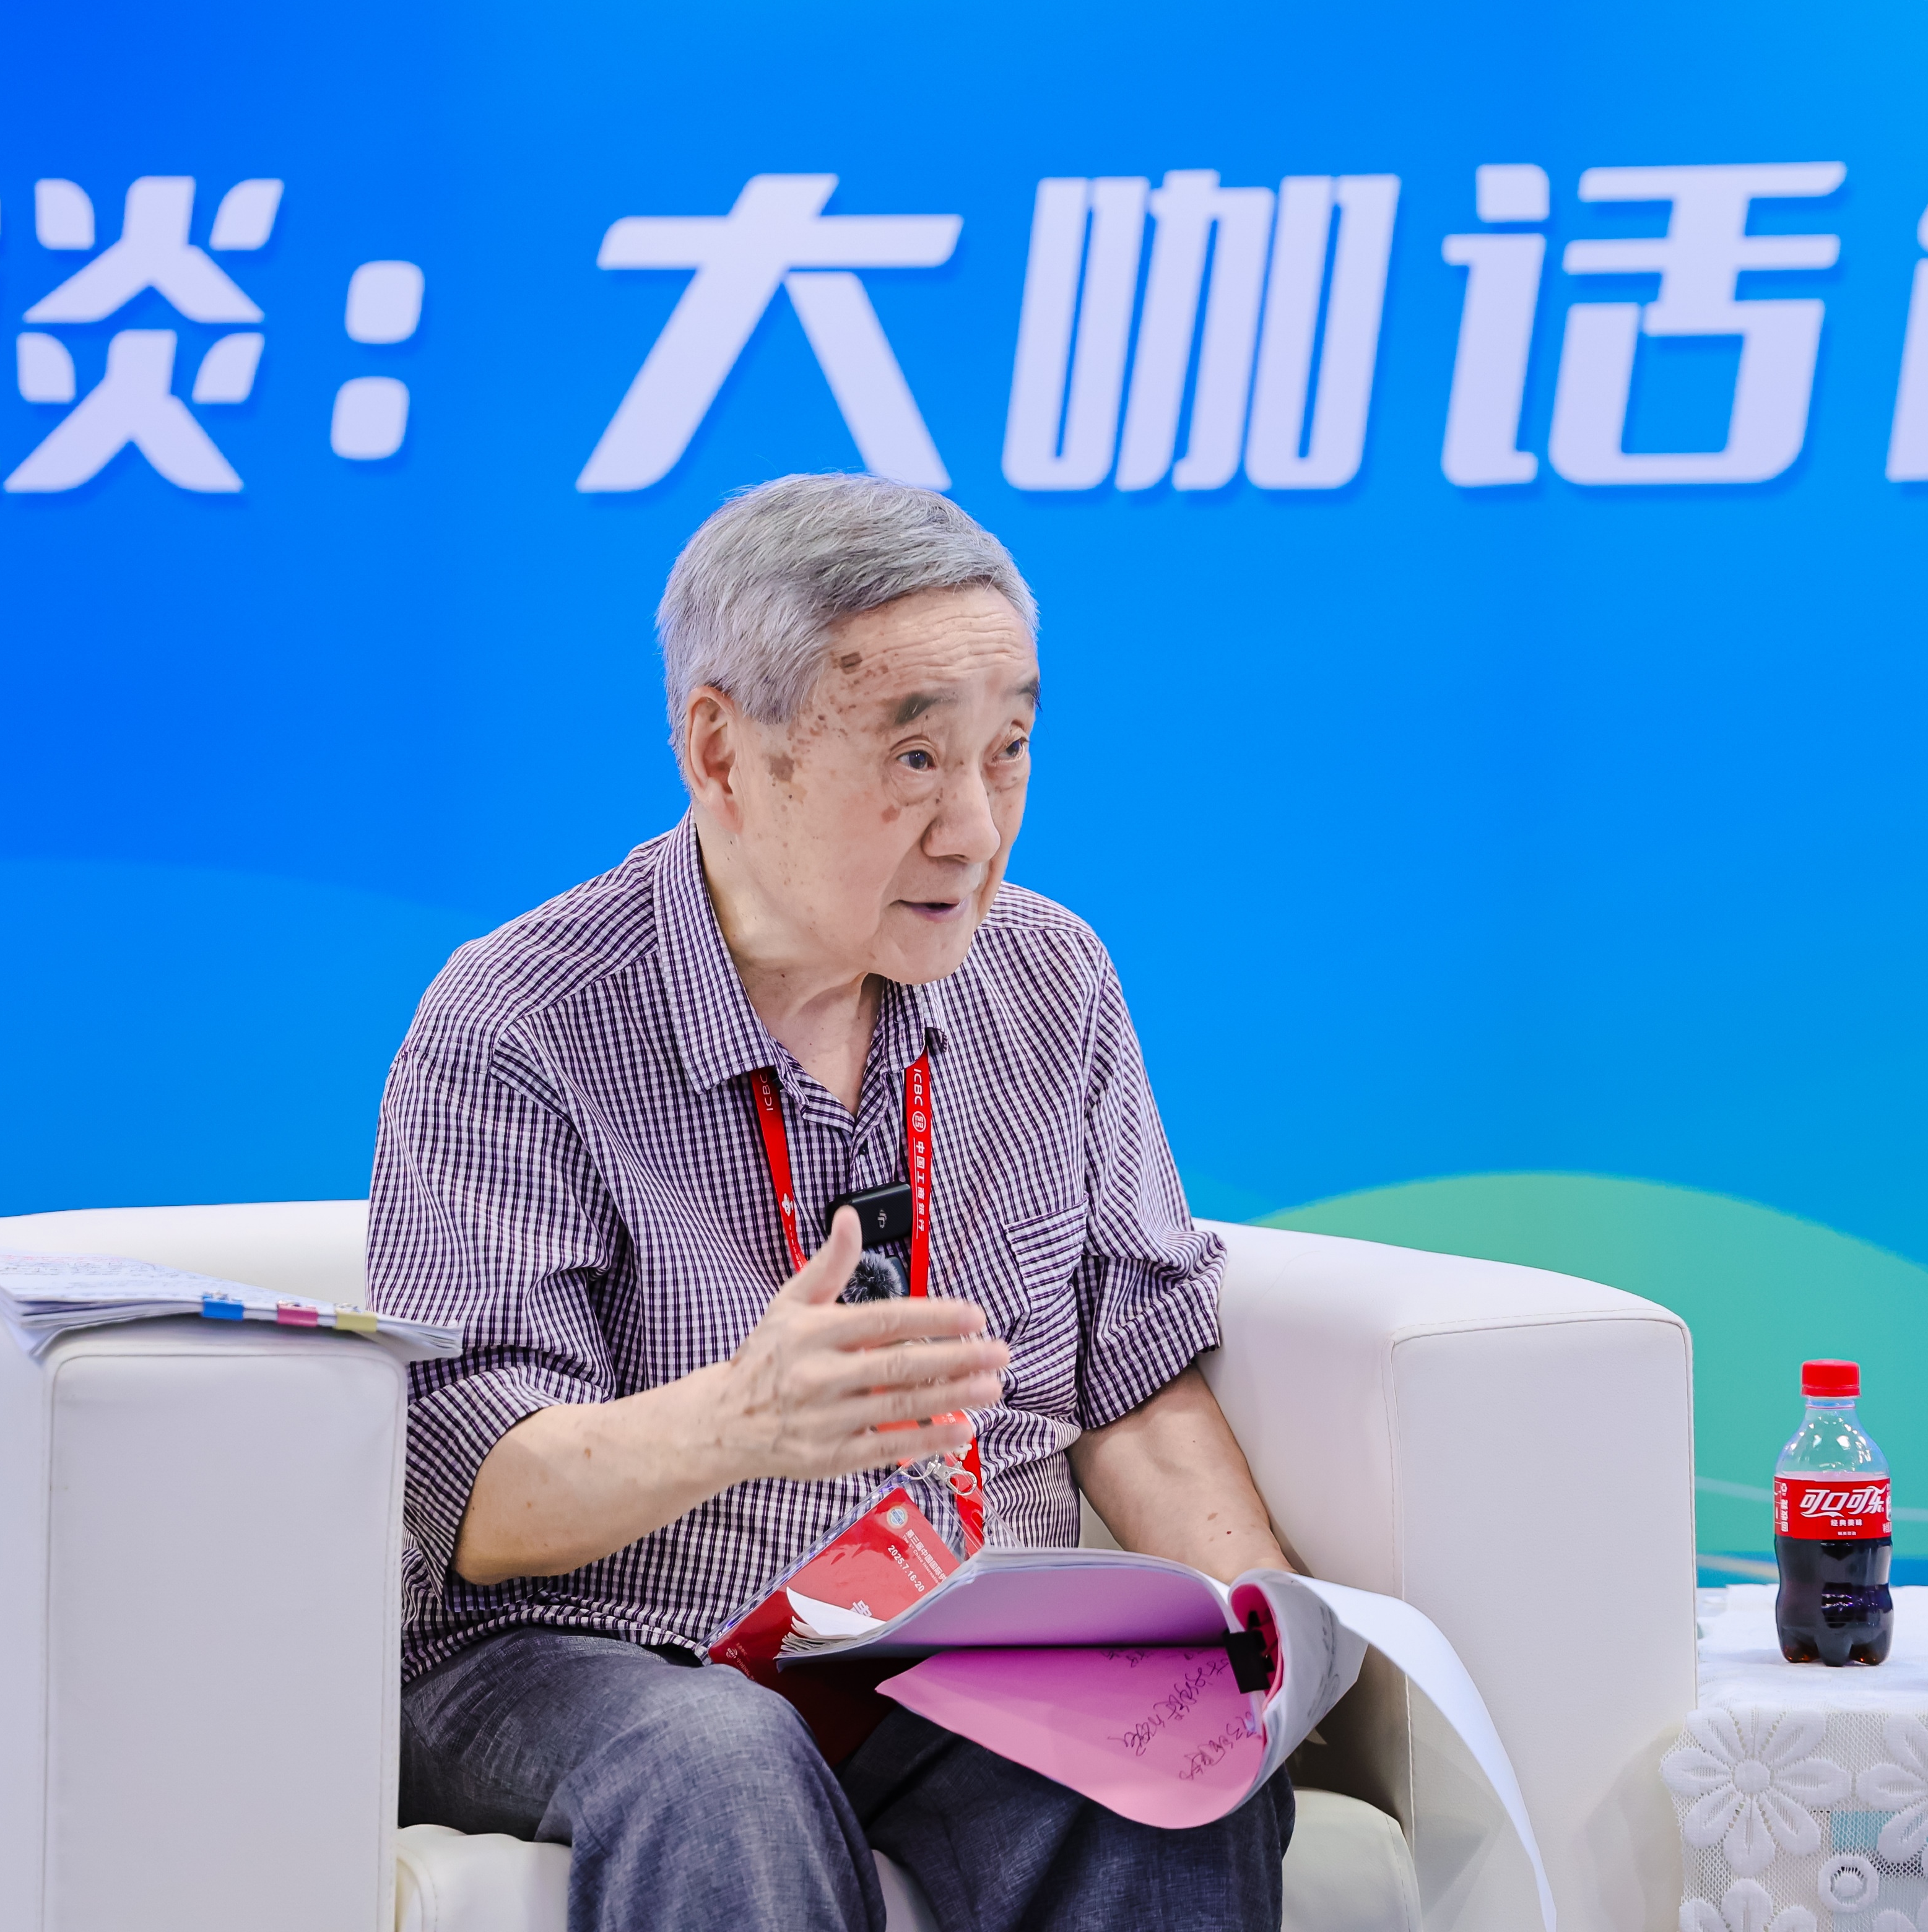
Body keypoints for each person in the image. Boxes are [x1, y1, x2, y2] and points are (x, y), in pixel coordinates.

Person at [368, 474, 1294, 1932]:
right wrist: (740, 1421)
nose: (973, 828)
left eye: (1006, 751)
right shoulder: (520, 1021)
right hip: (596, 1651)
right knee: (720, 1763)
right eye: (914, 756)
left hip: (940, 1649)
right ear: (723, 750)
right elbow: (468, 1499)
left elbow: (1134, 1387)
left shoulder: (1051, 980)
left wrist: (1267, 1632)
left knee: (1167, 1751)